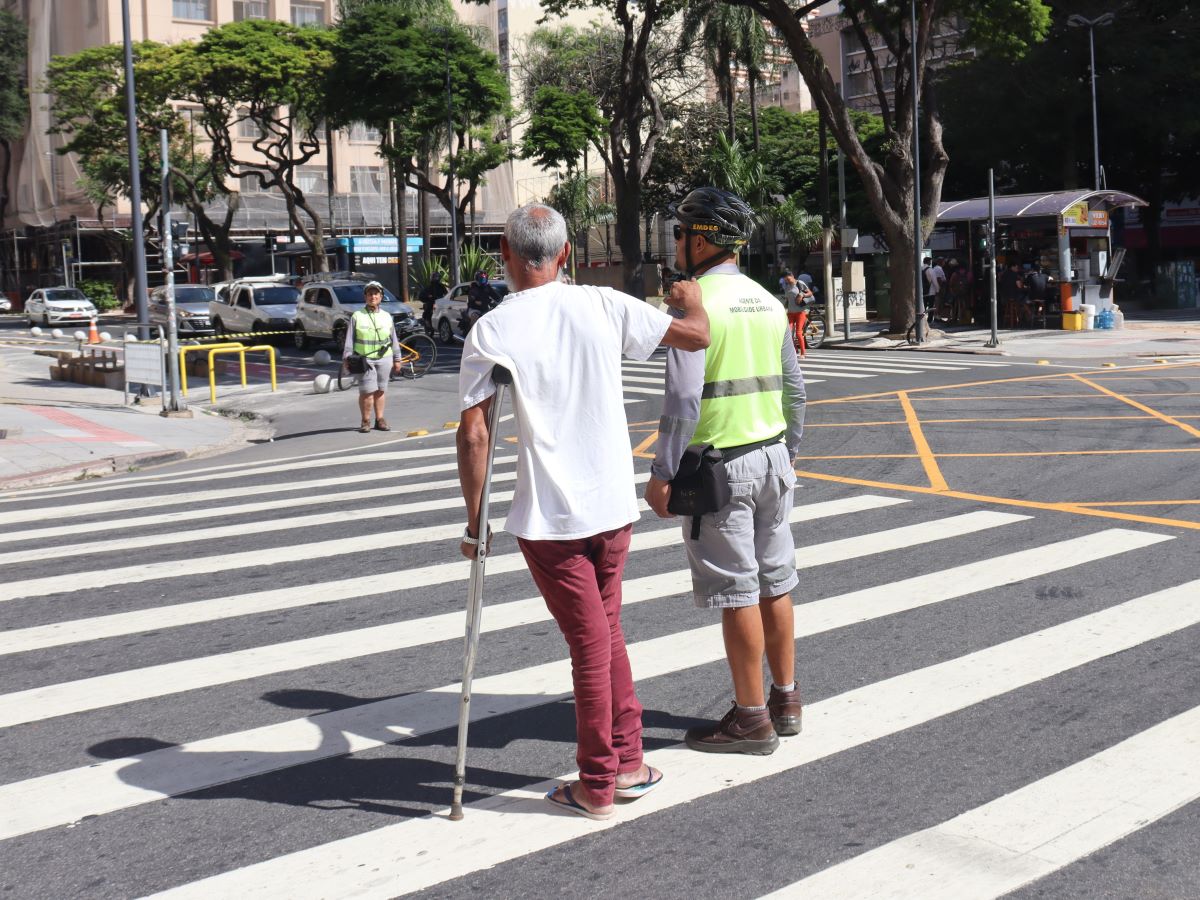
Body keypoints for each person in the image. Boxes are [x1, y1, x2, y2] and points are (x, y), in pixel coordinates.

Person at [456, 203, 711, 820]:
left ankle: (598, 782)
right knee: (604, 631)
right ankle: (627, 761)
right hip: (610, 507)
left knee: (589, 643)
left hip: (551, 519)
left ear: (506, 255)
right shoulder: (602, 303)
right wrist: (694, 300)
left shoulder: (493, 328)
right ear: (566, 254)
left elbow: (474, 434)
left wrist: (474, 523)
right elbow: (696, 335)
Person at [645, 187, 806, 756]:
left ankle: (751, 720)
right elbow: (795, 388)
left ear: (704, 239)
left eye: (682, 234)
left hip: (721, 468)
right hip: (771, 459)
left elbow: (683, 399)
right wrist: (789, 452)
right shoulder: (766, 301)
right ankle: (786, 700)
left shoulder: (694, 306)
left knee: (738, 592)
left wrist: (662, 472)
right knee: (775, 581)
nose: (677, 244)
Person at [342, 281, 402, 433]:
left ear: (381, 297)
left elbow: (393, 339)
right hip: (364, 360)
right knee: (367, 392)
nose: (373, 296)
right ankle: (365, 420)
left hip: (385, 359)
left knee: (381, 390)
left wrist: (397, 359)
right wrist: (347, 358)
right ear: (365, 297)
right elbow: (350, 339)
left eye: (376, 294)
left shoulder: (387, 316)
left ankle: (380, 420)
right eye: (370, 294)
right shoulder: (357, 316)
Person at [461, 271, 501, 336]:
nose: (483, 280)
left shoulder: (488, 287)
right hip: (474, 309)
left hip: (485, 309)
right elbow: (471, 299)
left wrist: (502, 300)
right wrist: (476, 301)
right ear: (477, 278)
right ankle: (472, 336)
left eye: (484, 279)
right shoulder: (473, 288)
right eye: (481, 278)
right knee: (475, 317)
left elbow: (496, 296)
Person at [417, 270, 447, 334]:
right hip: (431, 303)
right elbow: (421, 295)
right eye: (434, 277)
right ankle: (427, 323)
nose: (436, 278)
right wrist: (428, 296)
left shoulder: (442, 286)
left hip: (439, 304)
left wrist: (443, 298)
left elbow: (447, 294)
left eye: (437, 277)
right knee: (427, 312)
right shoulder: (429, 287)